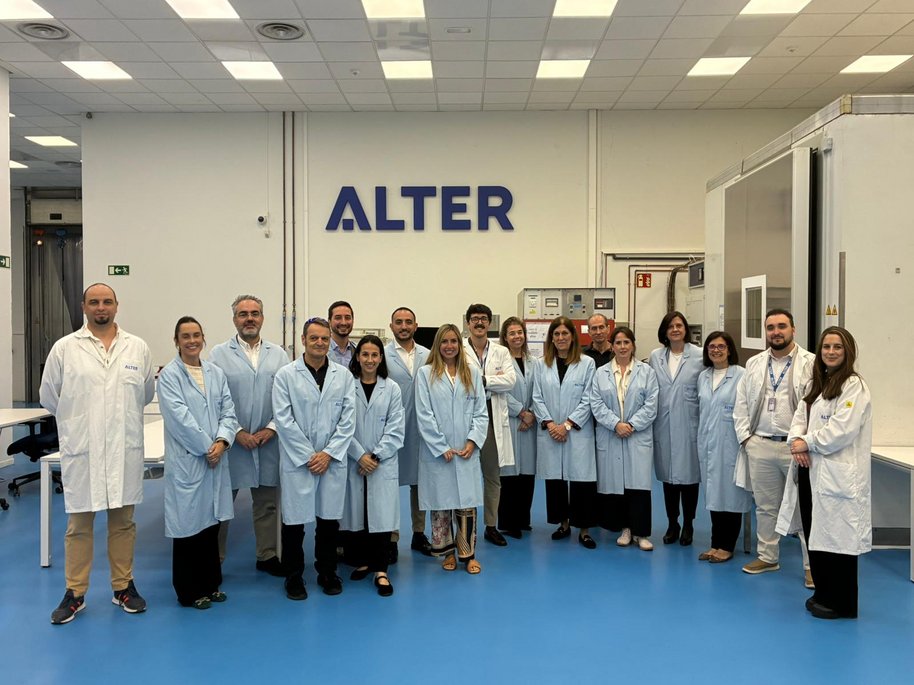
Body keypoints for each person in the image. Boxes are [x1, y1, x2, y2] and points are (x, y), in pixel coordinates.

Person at [40, 283, 154, 625]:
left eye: (106, 301)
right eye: (94, 302)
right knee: (79, 525)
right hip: (83, 449)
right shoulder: (65, 349)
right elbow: (50, 396)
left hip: (122, 448)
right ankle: (75, 593)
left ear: (117, 306)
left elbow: (145, 393)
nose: (100, 307)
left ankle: (123, 587)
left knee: (123, 523)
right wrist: (81, 424)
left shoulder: (137, 348)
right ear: (83, 307)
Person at [777, 327, 872, 619]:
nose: (831, 352)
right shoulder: (817, 383)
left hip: (836, 475)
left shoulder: (854, 386)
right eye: (827, 347)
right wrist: (797, 441)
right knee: (815, 534)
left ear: (848, 352)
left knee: (839, 540)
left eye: (837, 347)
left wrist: (807, 442)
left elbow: (842, 430)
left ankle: (842, 604)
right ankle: (823, 594)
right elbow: (799, 418)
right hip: (810, 470)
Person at [273, 317, 356, 600]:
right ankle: (293, 575)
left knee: (328, 522)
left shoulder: (343, 376)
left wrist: (329, 454)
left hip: (331, 460)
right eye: (314, 338)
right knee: (294, 523)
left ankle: (327, 571)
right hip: (300, 461)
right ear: (303, 340)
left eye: (324, 338)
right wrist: (310, 455)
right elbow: (283, 420)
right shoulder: (286, 375)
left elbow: (348, 419)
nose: (319, 343)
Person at [158, 316, 237, 609]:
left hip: (215, 456)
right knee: (188, 528)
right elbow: (180, 419)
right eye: (186, 336)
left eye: (196, 335)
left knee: (211, 525)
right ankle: (189, 591)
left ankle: (211, 583)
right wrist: (208, 448)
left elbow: (228, 411)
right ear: (176, 341)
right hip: (190, 460)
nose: (192, 341)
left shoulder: (215, 373)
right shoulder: (170, 376)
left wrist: (222, 441)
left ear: (203, 338)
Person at [209, 295, 289, 576]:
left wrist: (272, 428)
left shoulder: (278, 355)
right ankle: (213, 560)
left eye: (255, 313)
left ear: (262, 318)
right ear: (234, 320)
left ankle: (267, 555)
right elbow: (214, 400)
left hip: (268, 441)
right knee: (221, 506)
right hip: (231, 443)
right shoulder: (218, 355)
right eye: (243, 314)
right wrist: (236, 432)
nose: (249, 319)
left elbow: (286, 399)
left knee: (267, 504)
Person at [734, 308, 814, 584]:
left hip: (796, 449)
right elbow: (741, 403)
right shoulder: (754, 363)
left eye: (782, 326)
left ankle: (811, 565)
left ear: (793, 329)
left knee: (803, 508)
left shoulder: (810, 363)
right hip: (761, 444)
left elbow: (816, 407)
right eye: (771, 327)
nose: (776, 332)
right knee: (765, 506)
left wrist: (806, 442)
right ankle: (768, 556)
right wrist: (747, 439)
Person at [415, 324, 489, 574]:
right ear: (438, 345)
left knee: (466, 505)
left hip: (466, 450)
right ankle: (447, 553)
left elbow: (481, 412)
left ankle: (468, 554)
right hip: (438, 453)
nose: (449, 346)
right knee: (441, 503)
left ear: (460, 344)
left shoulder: (472, 373)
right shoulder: (425, 374)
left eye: (454, 341)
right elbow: (424, 414)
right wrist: (440, 445)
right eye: (444, 341)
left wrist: (472, 441)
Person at [342, 336, 405, 597]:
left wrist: (375, 457)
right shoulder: (347, 386)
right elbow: (341, 425)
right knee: (359, 514)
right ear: (357, 357)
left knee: (381, 515)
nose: (369, 360)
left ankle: (381, 570)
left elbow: (396, 428)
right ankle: (365, 561)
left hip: (382, 463)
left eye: (374, 355)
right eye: (365, 354)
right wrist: (359, 455)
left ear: (381, 358)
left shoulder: (392, 388)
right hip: (355, 460)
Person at [532, 316, 598, 549]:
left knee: (582, 481)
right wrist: (551, 424)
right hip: (551, 430)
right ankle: (563, 523)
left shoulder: (587, 363)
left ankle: (585, 529)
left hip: (576, 431)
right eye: (556, 334)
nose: (560, 338)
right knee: (556, 480)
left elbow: (589, 397)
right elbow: (537, 397)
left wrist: (568, 424)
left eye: (565, 334)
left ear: (573, 337)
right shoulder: (541, 364)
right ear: (551, 338)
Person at [591, 326, 659, 551]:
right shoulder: (601, 373)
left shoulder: (646, 372)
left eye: (626, 342)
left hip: (637, 435)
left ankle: (642, 533)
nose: (622, 347)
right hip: (611, 434)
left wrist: (631, 425)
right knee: (617, 484)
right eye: (618, 343)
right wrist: (615, 424)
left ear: (633, 345)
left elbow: (651, 404)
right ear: (612, 346)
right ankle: (625, 529)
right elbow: (596, 403)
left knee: (638, 486)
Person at [696, 331, 753, 563]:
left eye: (721, 346)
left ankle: (727, 545)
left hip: (731, 443)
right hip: (708, 443)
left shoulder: (741, 375)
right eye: (712, 347)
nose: (716, 350)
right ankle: (715, 543)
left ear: (729, 350)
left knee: (731, 495)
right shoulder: (703, 376)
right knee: (713, 494)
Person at [463, 303, 516, 547]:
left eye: (484, 318)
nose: (479, 322)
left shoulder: (501, 351)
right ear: (468, 323)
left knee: (492, 476)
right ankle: (466, 526)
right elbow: (459, 380)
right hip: (466, 419)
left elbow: (510, 381)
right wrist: (494, 381)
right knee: (466, 475)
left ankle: (491, 526)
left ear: (490, 323)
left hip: (492, 419)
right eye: (475, 318)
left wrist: (482, 380)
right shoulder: (460, 349)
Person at [650, 311, 703, 547]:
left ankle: (689, 524)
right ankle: (673, 524)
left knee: (690, 480)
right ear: (665, 330)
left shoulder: (699, 356)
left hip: (690, 425)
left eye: (679, 325)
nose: (675, 330)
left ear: (685, 329)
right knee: (668, 480)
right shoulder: (656, 356)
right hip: (664, 426)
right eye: (670, 326)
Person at [385, 307, 432, 560]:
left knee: (420, 483)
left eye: (408, 322)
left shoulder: (428, 354)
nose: (403, 326)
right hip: (392, 428)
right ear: (391, 326)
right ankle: (391, 537)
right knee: (390, 483)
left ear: (416, 326)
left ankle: (419, 533)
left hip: (422, 428)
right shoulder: (383, 355)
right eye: (399, 322)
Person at [496, 317, 538, 538]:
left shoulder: (534, 362)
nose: (516, 336)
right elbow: (499, 391)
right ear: (505, 337)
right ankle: (508, 522)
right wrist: (522, 412)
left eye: (519, 332)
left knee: (527, 474)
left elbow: (541, 390)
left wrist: (532, 413)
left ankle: (523, 519)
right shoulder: (499, 362)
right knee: (509, 475)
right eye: (512, 333)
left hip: (530, 422)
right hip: (510, 420)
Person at [328, 300, 356, 367]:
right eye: (338, 318)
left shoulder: (358, 350)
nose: (343, 323)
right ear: (329, 321)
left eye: (347, 318)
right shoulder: (322, 351)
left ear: (353, 321)